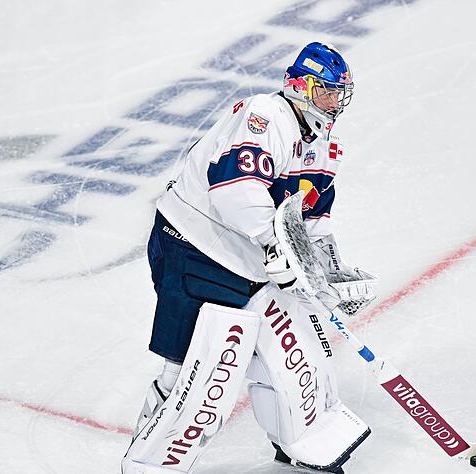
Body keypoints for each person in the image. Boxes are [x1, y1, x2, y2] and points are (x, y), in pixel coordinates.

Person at [121, 42, 378, 474]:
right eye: (326, 92)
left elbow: (311, 216)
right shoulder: (264, 116)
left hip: (253, 258)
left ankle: (304, 440)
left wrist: (327, 271)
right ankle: (152, 464)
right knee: (204, 371)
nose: (334, 103)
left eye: (339, 94)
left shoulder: (323, 145)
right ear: (301, 87)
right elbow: (234, 190)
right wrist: (275, 247)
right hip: (197, 248)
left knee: (301, 347)